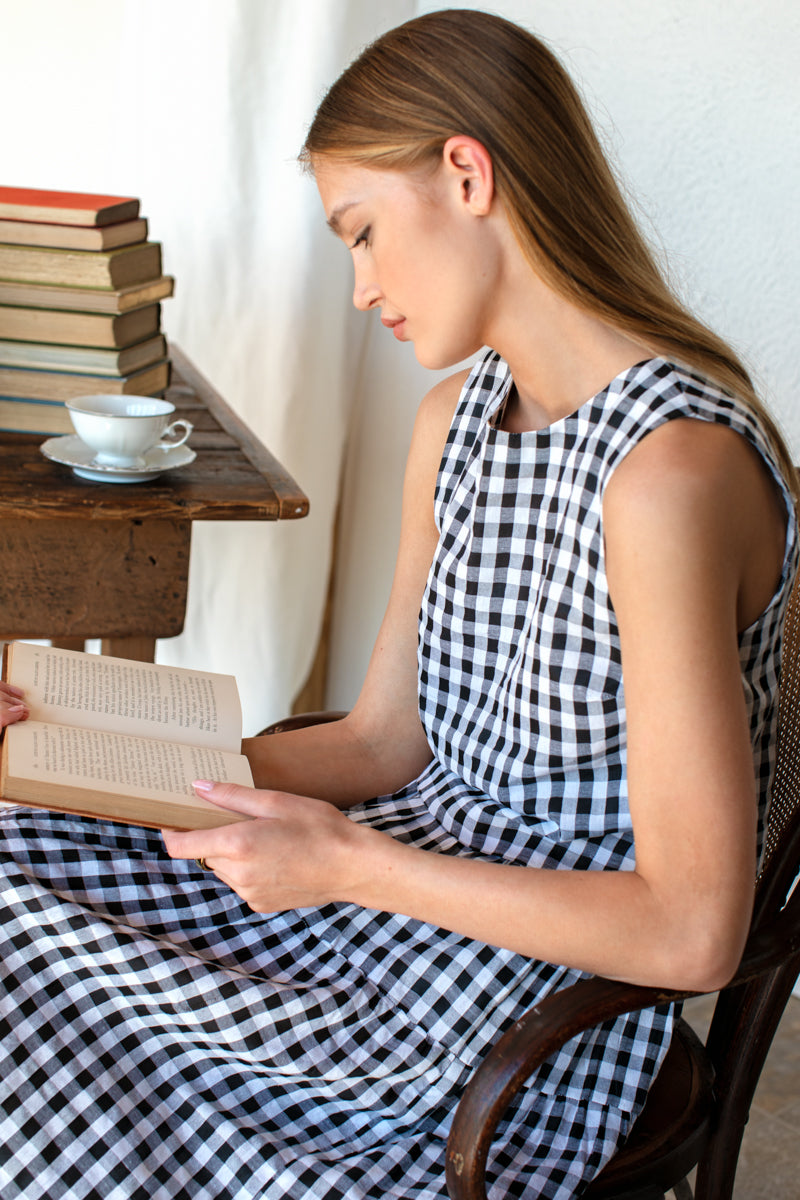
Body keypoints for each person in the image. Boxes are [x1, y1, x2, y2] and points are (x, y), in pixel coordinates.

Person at [1, 9, 797, 1199]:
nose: (363, 287)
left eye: (363, 234)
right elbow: (383, 743)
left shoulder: (668, 475)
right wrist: (80, 755)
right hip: (392, 899)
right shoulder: (458, 424)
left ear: (466, 173)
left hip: (513, 1001)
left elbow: (690, 933)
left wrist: (346, 869)